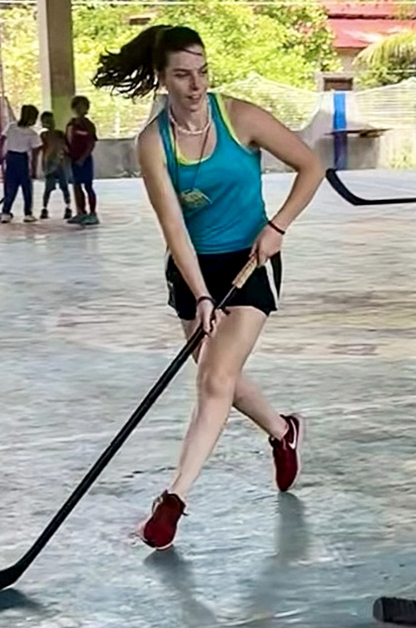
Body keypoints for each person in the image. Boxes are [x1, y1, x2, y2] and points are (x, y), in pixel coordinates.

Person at [91, 24, 324, 550]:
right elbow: (173, 226)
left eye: (202, 72)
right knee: (224, 378)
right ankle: (283, 430)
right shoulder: (154, 143)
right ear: (162, 79)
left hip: (252, 260)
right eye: (182, 75)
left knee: (214, 381)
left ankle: (172, 500)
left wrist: (278, 225)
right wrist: (199, 295)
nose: (196, 85)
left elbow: (312, 166)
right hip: (192, 267)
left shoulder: (239, 117)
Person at [0, 104, 43, 223]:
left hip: (10, 157)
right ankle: (28, 213)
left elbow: (2, 139)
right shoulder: (32, 134)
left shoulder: (11, 127)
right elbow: (35, 154)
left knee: (10, 187)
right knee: (26, 188)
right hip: (22, 159)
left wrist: (0, 154)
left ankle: (5, 213)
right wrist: (33, 170)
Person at [65, 96, 99, 225]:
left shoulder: (88, 125)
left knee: (88, 186)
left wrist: (83, 158)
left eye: (83, 107)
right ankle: (81, 212)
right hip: (73, 160)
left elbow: (91, 143)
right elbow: (67, 140)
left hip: (84, 160)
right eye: (77, 107)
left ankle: (93, 213)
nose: (80, 109)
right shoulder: (71, 124)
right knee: (76, 186)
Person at [38, 111, 72, 220]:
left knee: (64, 186)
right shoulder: (43, 135)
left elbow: (66, 147)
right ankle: (44, 208)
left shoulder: (60, 134)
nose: (49, 123)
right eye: (46, 121)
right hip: (49, 163)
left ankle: (68, 207)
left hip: (60, 163)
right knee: (48, 188)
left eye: (50, 120)